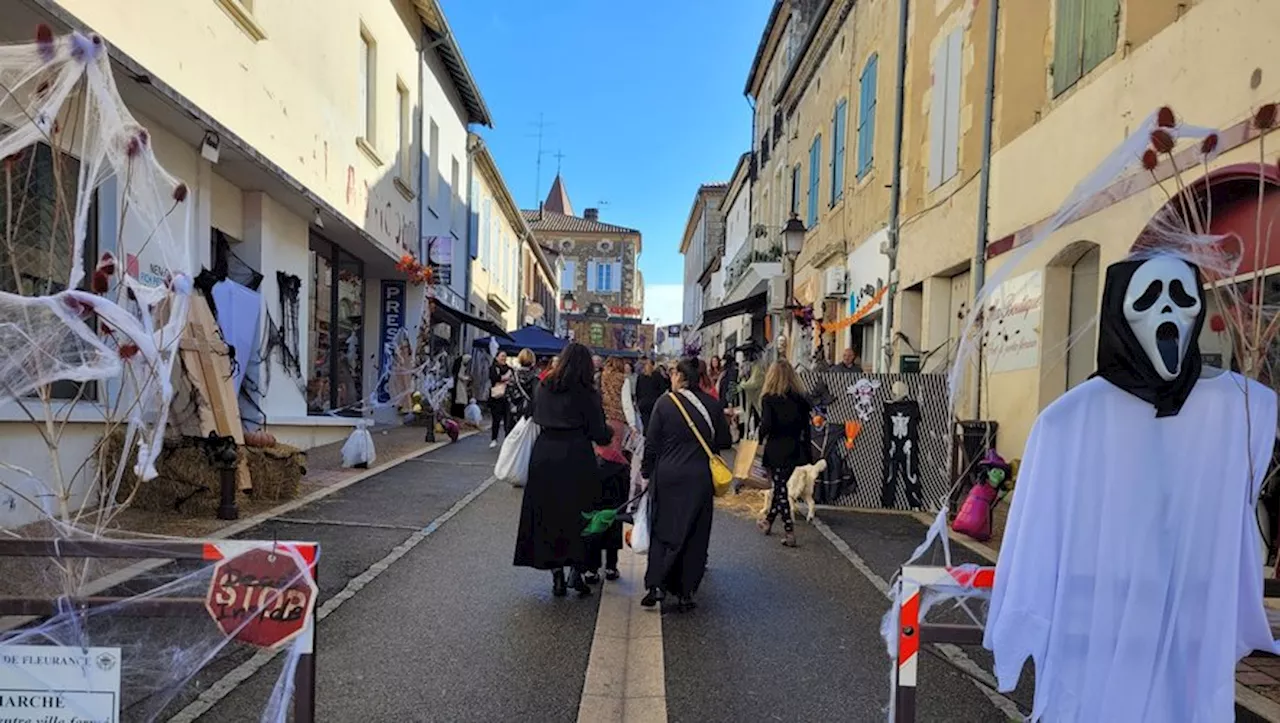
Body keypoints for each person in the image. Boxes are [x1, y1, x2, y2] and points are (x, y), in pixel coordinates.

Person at [513, 343, 612, 597]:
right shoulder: (587, 393)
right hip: (577, 455)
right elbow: (599, 434)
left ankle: (555, 574)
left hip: (545, 453)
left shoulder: (544, 386)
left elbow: (532, 415)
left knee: (548, 514)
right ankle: (576, 572)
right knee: (581, 515)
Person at [640, 357, 732, 611]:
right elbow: (724, 440)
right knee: (694, 532)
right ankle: (685, 590)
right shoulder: (712, 405)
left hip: (667, 475)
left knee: (662, 528)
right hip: (699, 476)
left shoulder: (664, 403)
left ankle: (656, 584)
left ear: (680, 377)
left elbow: (652, 443)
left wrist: (646, 472)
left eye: (673, 373)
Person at [757, 361, 812, 547]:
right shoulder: (800, 400)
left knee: (780, 489)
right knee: (780, 487)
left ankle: (789, 531)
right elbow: (807, 427)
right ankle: (768, 522)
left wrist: (758, 439)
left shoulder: (769, 398)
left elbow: (766, 425)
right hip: (795, 448)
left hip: (776, 448)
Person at [487, 352, 513, 449]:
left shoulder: (510, 369)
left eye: (505, 356)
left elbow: (512, 380)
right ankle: (494, 439)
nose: (504, 358)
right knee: (496, 420)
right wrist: (505, 378)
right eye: (502, 356)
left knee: (508, 420)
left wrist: (502, 379)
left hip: (507, 397)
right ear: (497, 357)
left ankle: (507, 439)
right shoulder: (493, 368)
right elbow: (494, 378)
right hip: (496, 397)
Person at [634, 358, 668, 429]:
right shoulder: (657, 375)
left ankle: (646, 436)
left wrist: (638, 402)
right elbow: (663, 388)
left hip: (643, 404)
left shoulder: (640, 377)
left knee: (646, 424)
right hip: (654, 403)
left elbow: (637, 391)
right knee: (654, 423)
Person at [508, 349, 539, 421]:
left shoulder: (514, 375)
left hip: (516, 409)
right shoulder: (535, 377)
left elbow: (510, 393)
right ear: (533, 360)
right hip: (531, 411)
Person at [451, 354, 472, 418]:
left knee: (461, 400)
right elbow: (459, 375)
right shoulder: (461, 365)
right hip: (459, 385)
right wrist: (466, 378)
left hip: (461, 384)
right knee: (460, 400)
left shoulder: (462, 365)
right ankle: (458, 415)